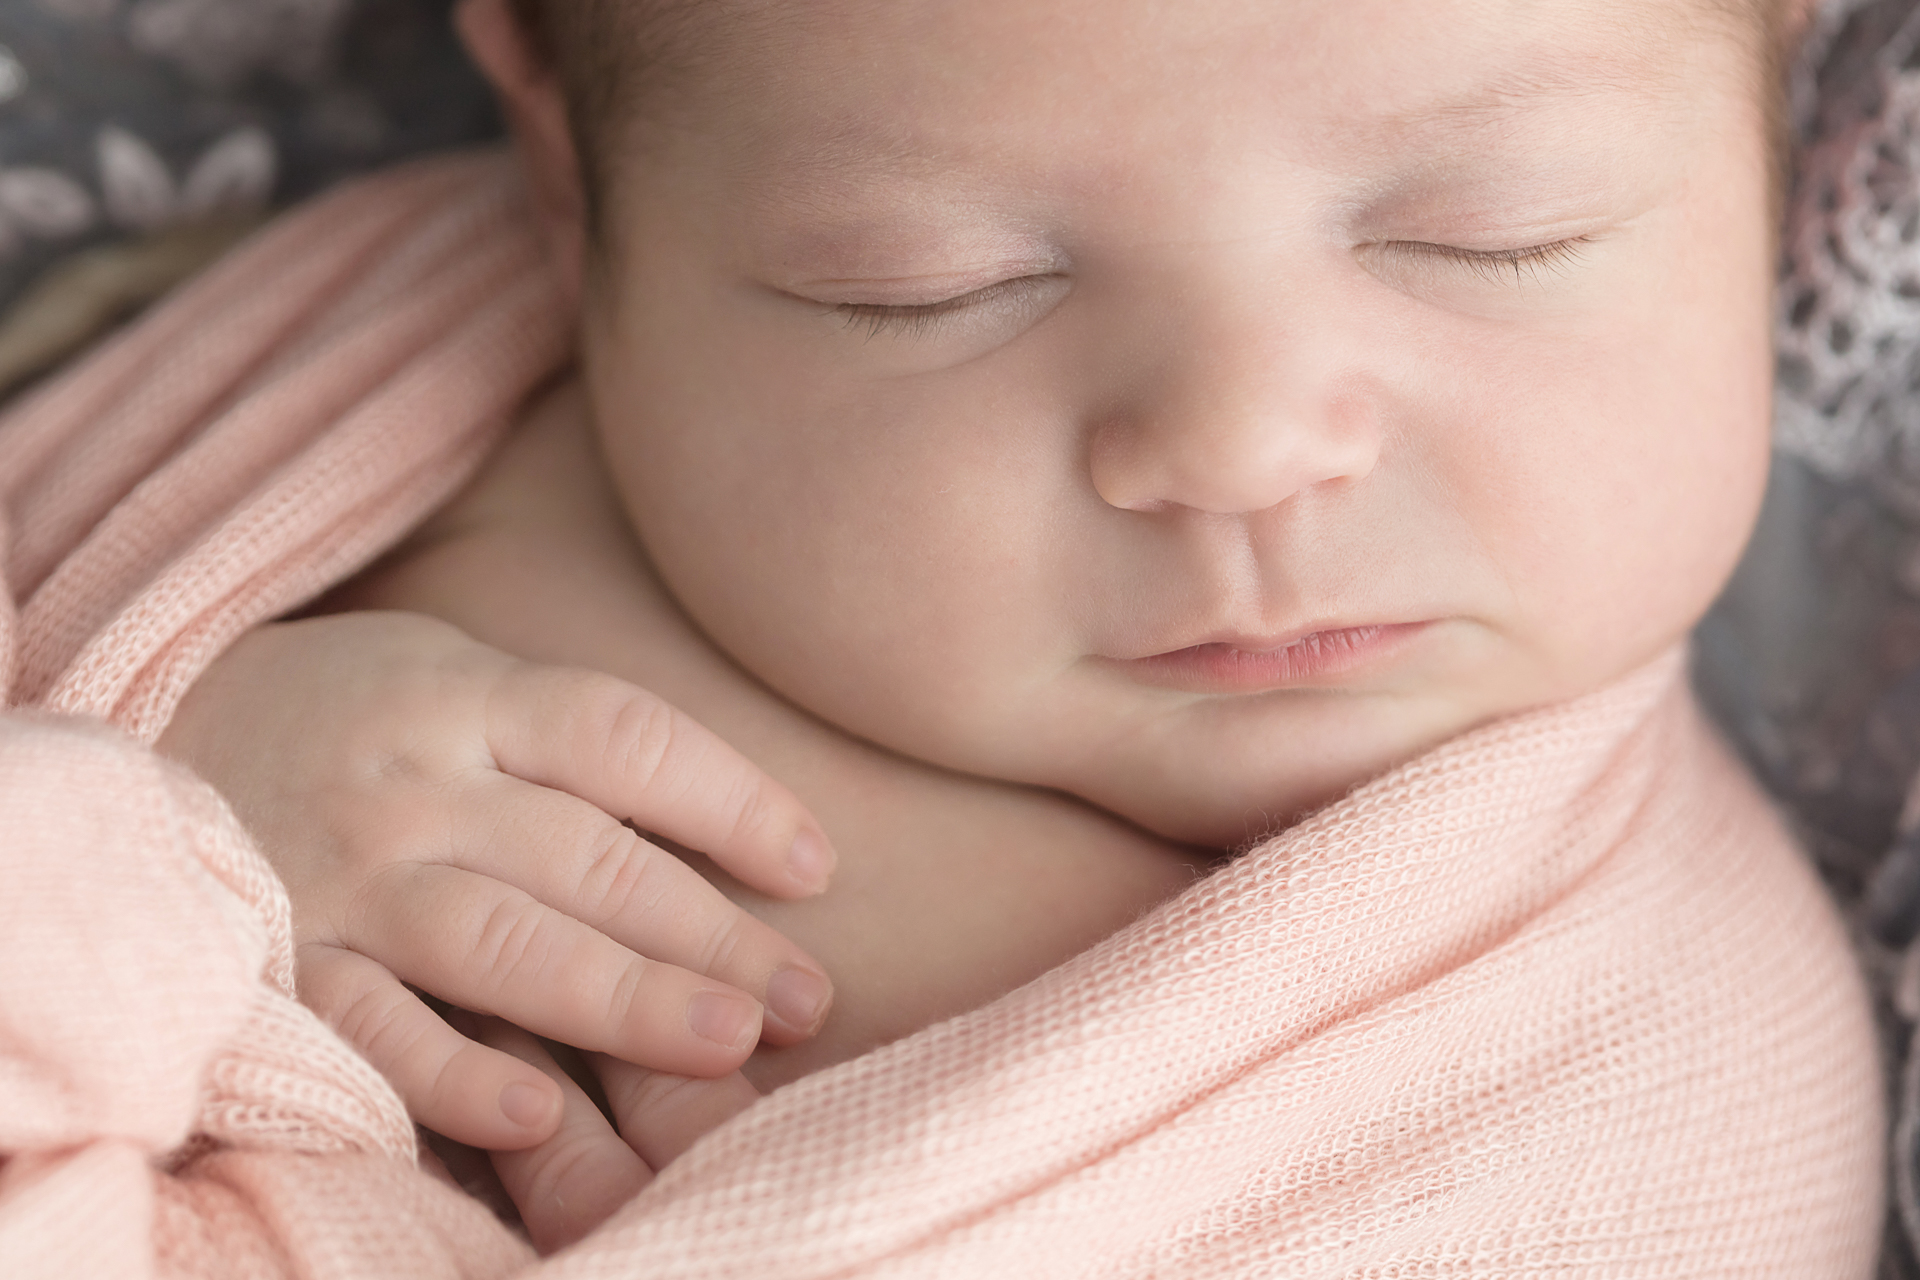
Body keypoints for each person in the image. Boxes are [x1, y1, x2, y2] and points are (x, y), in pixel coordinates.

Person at [112, 0, 1880, 1267]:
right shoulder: (367, 372)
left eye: (1485, 236)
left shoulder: (1655, 1093)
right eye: (932, 285)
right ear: (571, 176)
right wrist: (164, 795)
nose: (1237, 447)